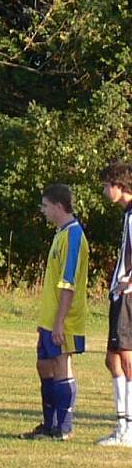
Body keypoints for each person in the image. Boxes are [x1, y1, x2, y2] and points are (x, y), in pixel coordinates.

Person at [19, 184, 88, 441]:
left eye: (45, 205)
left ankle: (63, 428)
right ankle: (49, 424)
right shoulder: (60, 234)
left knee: (61, 365)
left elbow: (68, 284)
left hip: (65, 319)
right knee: (44, 365)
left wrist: (59, 322)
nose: (43, 210)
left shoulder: (73, 236)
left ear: (59, 206)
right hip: (49, 318)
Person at [97, 165, 132, 447]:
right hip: (119, 295)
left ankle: (129, 429)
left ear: (118, 185)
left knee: (127, 359)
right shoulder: (127, 214)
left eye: (106, 185)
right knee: (113, 360)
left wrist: (128, 283)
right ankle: (121, 425)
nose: (104, 190)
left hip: (128, 295)